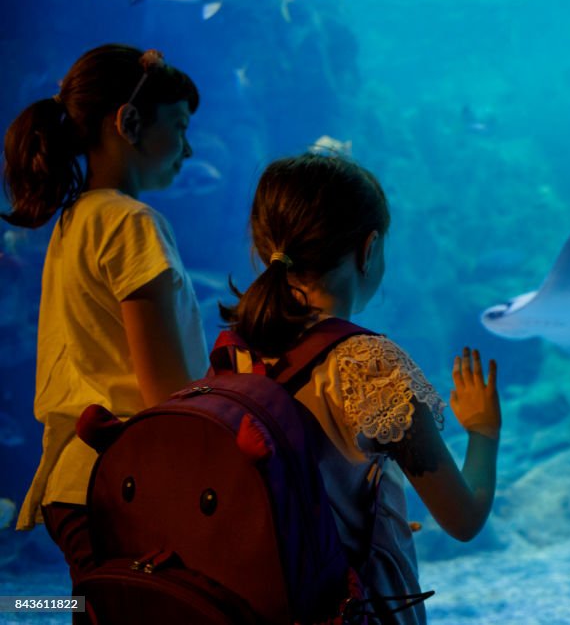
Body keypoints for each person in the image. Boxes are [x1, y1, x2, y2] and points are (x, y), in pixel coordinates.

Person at [220, 153, 501, 624]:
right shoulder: (366, 365)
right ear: (368, 250)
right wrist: (483, 429)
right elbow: (464, 517)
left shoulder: (236, 352)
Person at [2, 44, 208, 588]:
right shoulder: (131, 223)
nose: (188, 148)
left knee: (90, 610)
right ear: (130, 122)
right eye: (180, 127)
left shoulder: (75, 220)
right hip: (127, 481)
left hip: (75, 483)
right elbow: (165, 396)